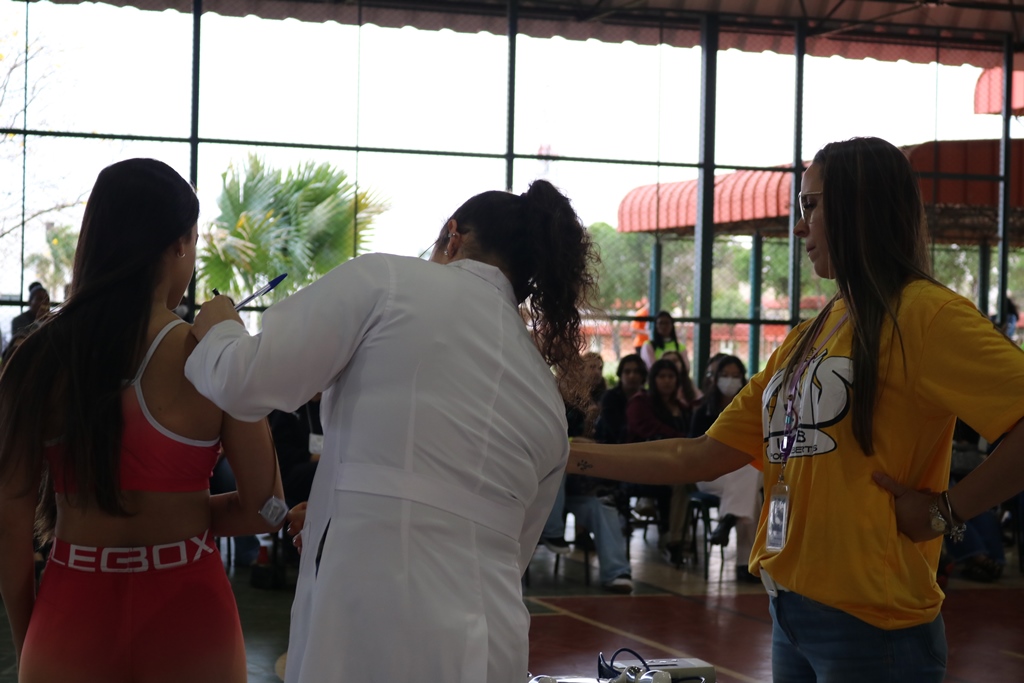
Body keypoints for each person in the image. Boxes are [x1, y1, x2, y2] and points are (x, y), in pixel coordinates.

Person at [567, 137, 1024, 681]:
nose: (800, 227)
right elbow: (698, 455)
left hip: (874, 627)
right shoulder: (811, 334)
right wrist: (566, 454)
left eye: (811, 205)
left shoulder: (926, 316)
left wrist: (945, 512)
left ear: (859, 208)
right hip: (790, 612)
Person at [184, 179, 598, 683]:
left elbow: (245, 380)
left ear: (453, 236)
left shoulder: (389, 282)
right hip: (492, 638)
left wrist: (220, 327)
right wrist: (337, 511)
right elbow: (501, 540)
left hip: (372, 616)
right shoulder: (544, 394)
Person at [0, 158, 284, 681]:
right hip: (191, 620)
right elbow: (267, 510)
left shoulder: (36, 359)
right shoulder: (209, 358)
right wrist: (232, 347)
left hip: (69, 622)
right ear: (179, 244)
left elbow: (9, 520)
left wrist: (28, 638)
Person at [688, 354, 762, 583]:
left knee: (749, 478)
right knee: (750, 485)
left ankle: (729, 518)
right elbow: (694, 452)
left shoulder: (752, 411)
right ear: (715, 377)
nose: (730, 380)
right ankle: (745, 564)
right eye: (725, 375)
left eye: (735, 375)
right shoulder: (703, 411)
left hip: (741, 476)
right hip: (710, 475)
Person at [593, 354, 647, 445]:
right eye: (627, 372)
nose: (632, 376)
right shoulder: (610, 398)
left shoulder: (647, 398)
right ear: (620, 374)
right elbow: (614, 430)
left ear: (642, 375)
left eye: (636, 371)